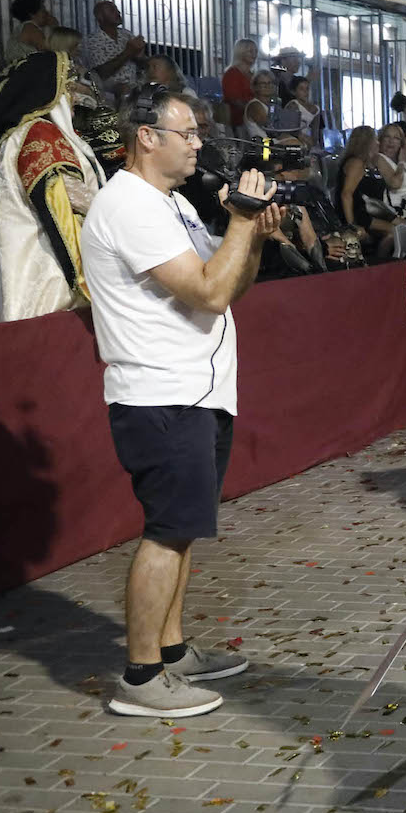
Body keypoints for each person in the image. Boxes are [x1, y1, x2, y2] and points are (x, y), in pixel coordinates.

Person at [81, 91, 283, 717]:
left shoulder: (168, 203)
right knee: (167, 533)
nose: (198, 142)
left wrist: (250, 236)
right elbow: (208, 293)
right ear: (147, 136)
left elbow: (232, 283)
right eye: (187, 132)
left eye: (197, 132)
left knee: (183, 529)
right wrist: (243, 223)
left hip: (195, 390)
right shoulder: (130, 205)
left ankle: (171, 652)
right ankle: (141, 679)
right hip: (159, 393)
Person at [0, 53, 108, 324]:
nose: (75, 97)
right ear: (50, 92)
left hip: (24, 276)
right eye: (68, 89)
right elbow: (62, 205)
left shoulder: (18, 135)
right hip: (52, 286)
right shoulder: (40, 133)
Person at [337, 125, 396, 254]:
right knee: (395, 232)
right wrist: (351, 225)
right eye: (375, 139)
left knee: (405, 227)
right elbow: (346, 194)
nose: (378, 142)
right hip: (359, 215)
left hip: (370, 212)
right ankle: (380, 263)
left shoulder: (367, 164)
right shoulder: (356, 163)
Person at [81, 1, 148, 101]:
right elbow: (100, 73)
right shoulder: (92, 41)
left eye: (117, 10)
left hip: (135, 88)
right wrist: (128, 52)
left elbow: (142, 63)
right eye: (112, 10)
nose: (118, 12)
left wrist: (140, 55)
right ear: (100, 17)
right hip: (108, 94)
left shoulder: (127, 35)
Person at [4, 0, 55, 67]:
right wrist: (54, 27)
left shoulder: (21, 28)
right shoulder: (31, 29)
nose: (47, 13)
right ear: (32, 14)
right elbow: (51, 53)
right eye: (43, 10)